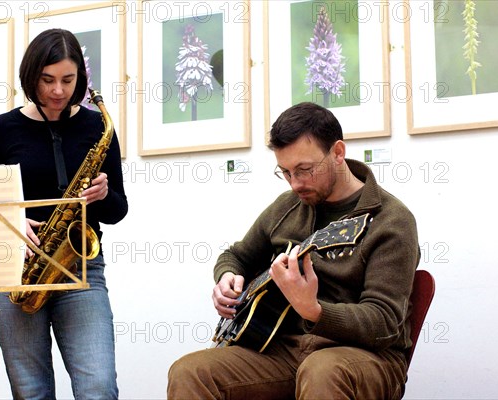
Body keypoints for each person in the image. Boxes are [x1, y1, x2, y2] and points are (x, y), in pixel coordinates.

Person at [167, 102, 420, 399]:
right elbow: (236, 256)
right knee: (189, 371)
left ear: (338, 153)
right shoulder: (286, 207)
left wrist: (313, 310)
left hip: (366, 357)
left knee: (323, 370)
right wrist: (227, 277)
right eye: (285, 172)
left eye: (305, 170)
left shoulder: (391, 220)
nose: (296, 183)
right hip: (284, 351)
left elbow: (384, 322)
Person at [0, 28, 127, 400]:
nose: (58, 91)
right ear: (31, 76)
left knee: (98, 387)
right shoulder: (1, 129)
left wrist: (104, 194)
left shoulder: (97, 127)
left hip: (80, 268)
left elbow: (118, 211)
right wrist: (9, 221)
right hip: (16, 268)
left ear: (80, 78)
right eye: (47, 80)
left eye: (67, 80)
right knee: (32, 392)